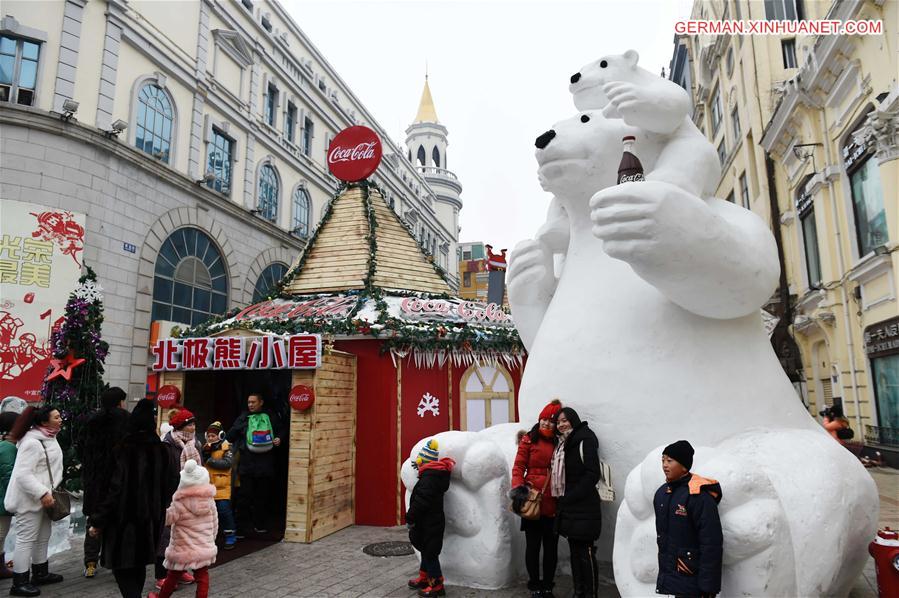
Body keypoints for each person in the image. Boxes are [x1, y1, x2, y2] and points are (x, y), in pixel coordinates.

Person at [87, 399, 178, 598]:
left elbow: (113, 490)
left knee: (123, 566)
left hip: (123, 522)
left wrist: (98, 520)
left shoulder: (122, 450)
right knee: (138, 564)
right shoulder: (164, 451)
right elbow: (171, 483)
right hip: (150, 521)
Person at [4, 406, 65, 596]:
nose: (61, 419)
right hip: (30, 501)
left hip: (45, 500)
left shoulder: (49, 437)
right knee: (26, 540)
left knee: (43, 536)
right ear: (44, 422)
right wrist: (42, 493)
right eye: (56, 417)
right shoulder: (32, 442)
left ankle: (40, 572)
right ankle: (19, 582)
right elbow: (22, 475)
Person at [654, 440, 723, 598]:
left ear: (684, 466)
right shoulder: (662, 494)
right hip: (675, 576)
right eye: (663, 460)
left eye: (670, 461)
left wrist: (708, 587)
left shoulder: (699, 496)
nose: (665, 465)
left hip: (693, 576)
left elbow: (711, 543)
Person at [511, 399, 562, 598]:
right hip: (532, 499)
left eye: (551, 421)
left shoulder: (560, 442)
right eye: (543, 420)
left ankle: (548, 585)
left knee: (551, 547)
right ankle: (535, 585)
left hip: (554, 499)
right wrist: (518, 490)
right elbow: (518, 467)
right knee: (532, 546)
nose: (546, 424)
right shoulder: (529, 439)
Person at [77, 387, 130, 578]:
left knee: (93, 521)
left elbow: (81, 446)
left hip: (95, 480)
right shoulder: (125, 419)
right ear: (119, 401)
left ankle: (90, 563)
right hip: (118, 479)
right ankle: (115, 561)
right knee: (117, 523)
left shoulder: (92, 420)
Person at [551, 407, 602, 598]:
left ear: (574, 419)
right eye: (559, 422)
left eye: (565, 420)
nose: (562, 424)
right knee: (574, 551)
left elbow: (592, 473)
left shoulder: (584, 439)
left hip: (584, 505)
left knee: (586, 553)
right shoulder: (563, 444)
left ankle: (590, 594)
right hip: (569, 506)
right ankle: (578, 591)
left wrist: (571, 495)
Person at [150, 459, 218, 598]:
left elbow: (167, 520)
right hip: (202, 546)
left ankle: (162, 597)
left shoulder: (179, 503)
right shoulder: (209, 500)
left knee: (172, 576)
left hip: (182, 548)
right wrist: (211, 540)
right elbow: (215, 521)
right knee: (202, 576)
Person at [225, 393, 284, 535]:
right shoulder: (243, 417)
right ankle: (240, 528)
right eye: (248, 402)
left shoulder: (271, 417)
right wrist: (238, 427)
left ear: (261, 402)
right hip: (247, 463)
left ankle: (260, 524)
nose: (250, 405)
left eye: (253, 402)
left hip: (265, 463)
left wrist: (279, 438)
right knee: (244, 497)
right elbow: (230, 436)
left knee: (262, 496)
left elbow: (282, 429)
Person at [156, 407, 202, 589]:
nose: (193, 427)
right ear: (181, 426)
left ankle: (179, 570)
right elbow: (163, 473)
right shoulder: (168, 444)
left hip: (190, 497)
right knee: (165, 538)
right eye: (190, 424)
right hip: (171, 496)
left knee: (183, 537)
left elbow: (200, 469)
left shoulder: (195, 443)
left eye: (193, 423)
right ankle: (161, 575)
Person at [406, 439, 455, 598]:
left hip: (430, 523)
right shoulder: (432, 476)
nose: (418, 464)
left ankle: (437, 585)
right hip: (430, 522)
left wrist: (410, 516)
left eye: (420, 460)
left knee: (431, 554)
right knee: (427, 551)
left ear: (424, 462)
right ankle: (424, 578)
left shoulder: (429, 478)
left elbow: (421, 501)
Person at [202, 421, 236, 550]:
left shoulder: (227, 447)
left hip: (223, 487)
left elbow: (227, 464)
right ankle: (210, 537)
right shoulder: (205, 448)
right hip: (208, 487)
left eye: (213, 436)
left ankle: (230, 534)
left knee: (224, 512)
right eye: (209, 436)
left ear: (220, 435)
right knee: (208, 514)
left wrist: (209, 460)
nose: (211, 438)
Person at [0, 410, 21, 580]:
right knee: (0, 533)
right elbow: (8, 475)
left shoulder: (6, 445)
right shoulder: (8, 448)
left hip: (3, 500)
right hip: (2, 501)